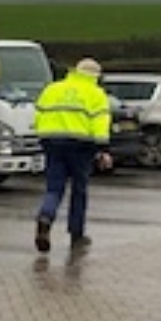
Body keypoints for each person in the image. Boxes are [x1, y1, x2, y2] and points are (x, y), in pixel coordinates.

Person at [33, 57, 112, 255]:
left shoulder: (53, 89)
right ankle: (76, 234)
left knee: (54, 188)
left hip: (51, 141)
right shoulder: (96, 93)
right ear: (96, 76)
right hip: (80, 145)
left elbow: (38, 114)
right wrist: (103, 150)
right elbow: (100, 122)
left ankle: (45, 217)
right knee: (79, 189)